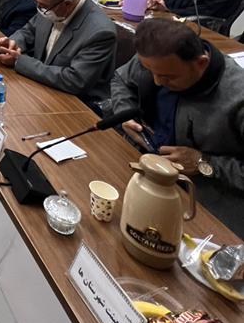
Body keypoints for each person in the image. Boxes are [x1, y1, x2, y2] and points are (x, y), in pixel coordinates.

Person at [104, 18, 244, 236]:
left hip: (201, 197)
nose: (157, 82)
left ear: (201, 63)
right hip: (142, 163)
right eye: (150, 72)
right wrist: (125, 111)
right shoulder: (156, 59)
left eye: (168, 77)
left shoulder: (237, 96)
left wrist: (204, 163)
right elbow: (121, 80)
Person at [0, 0, 117, 108]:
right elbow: (29, 30)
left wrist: (19, 61)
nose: (39, 9)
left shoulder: (100, 32)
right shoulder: (50, 5)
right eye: (36, 2)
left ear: (67, 4)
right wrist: (13, 43)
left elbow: (75, 81)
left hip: (74, 104)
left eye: (42, 6)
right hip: (40, 86)